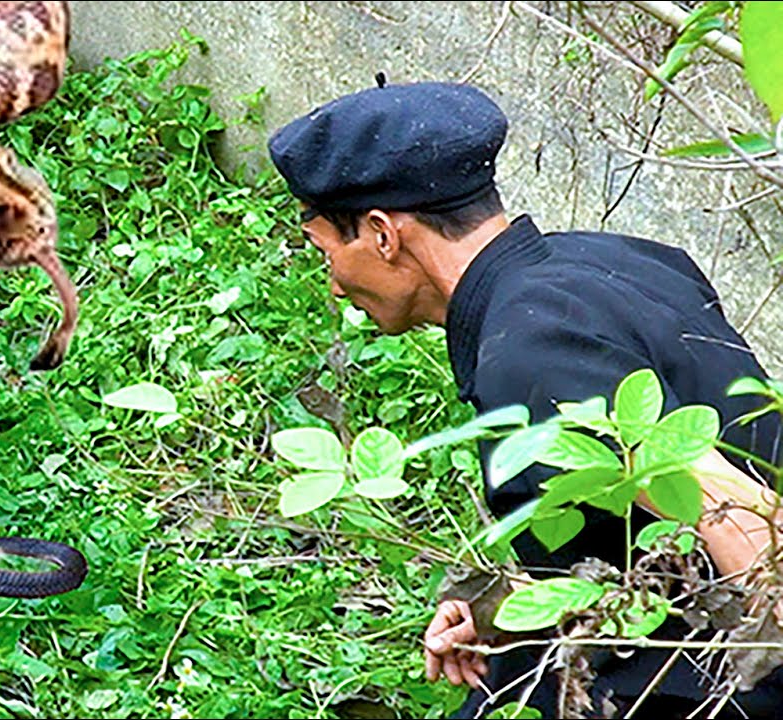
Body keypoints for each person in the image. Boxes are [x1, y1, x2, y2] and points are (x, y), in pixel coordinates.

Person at [267, 79, 783, 718]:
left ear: (381, 235)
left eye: (326, 252)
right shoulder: (614, 259)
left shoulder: (532, 353)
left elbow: (737, 519)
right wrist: (510, 608)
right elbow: (651, 539)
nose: (336, 288)